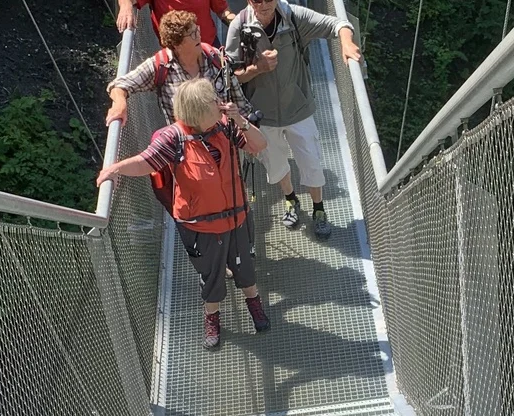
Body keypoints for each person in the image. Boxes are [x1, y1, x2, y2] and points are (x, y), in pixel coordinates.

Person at [97, 79, 269, 349]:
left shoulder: (225, 127)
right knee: (211, 276)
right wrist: (115, 169)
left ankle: (254, 303)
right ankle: (212, 317)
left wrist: (242, 122)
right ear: (199, 110)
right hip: (201, 226)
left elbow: (259, 145)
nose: (219, 103)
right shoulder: (174, 137)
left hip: (236, 217)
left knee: (245, 265)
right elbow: (147, 161)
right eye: (214, 100)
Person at [226, 0, 361, 240]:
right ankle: (290, 200)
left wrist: (347, 43)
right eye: (258, 0)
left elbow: (338, 23)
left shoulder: (293, 17)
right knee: (276, 164)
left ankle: (319, 209)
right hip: (263, 114)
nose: (264, 5)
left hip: (298, 108)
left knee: (311, 162)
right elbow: (232, 76)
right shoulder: (239, 26)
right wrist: (258, 68)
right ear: (249, 1)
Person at [105, 10, 253, 130]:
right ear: (176, 44)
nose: (199, 36)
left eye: (198, 30)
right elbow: (119, 85)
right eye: (193, 34)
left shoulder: (215, 57)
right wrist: (120, 104)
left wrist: (248, 127)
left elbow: (239, 101)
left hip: (224, 145)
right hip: (187, 152)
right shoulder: (160, 66)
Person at [117, 0, 235, 49]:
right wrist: (125, 6)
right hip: (176, 56)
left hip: (208, 48)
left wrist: (236, 23)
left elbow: (222, 10)